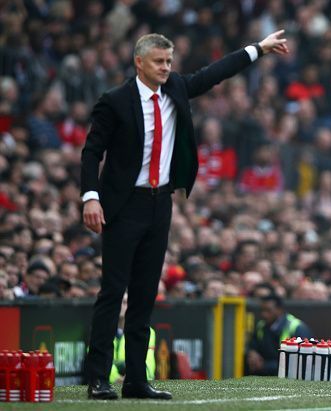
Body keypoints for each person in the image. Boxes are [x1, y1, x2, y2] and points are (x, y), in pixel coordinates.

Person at [81, 30, 289, 400]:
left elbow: (214, 73)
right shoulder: (114, 101)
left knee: (145, 296)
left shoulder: (175, 88)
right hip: (123, 205)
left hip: (160, 204)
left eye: (169, 61)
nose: (166, 68)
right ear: (139, 62)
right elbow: (90, 152)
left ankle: (135, 381)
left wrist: (259, 49)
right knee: (113, 292)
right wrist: (90, 197)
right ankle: (98, 378)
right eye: (159, 62)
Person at [246, 294, 312, 376]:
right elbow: (252, 344)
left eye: (268, 310)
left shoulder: (297, 328)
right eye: (262, 310)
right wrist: (252, 353)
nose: (264, 314)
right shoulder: (261, 326)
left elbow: (302, 361)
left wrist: (266, 366)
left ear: (279, 310)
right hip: (263, 374)